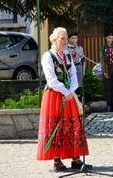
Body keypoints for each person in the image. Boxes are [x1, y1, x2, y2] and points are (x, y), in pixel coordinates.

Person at [36, 27, 89, 172]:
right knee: (56, 125)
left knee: (73, 125)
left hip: (68, 94)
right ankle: (57, 159)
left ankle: (76, 157)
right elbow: (51, 79)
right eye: (62, 39)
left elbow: (73, 75)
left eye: (66, 38)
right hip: (55, 95)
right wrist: (66, 92)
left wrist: (71, 91)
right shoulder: (48, 56)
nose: (66, 41)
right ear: (54, 40)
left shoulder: (67, 55)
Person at [100, 32, 113, 112]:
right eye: (109, 38)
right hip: (107, 68)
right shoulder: (103, 47)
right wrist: (104, 72)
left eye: (111, 38)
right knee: (108, 87)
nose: (110, 39)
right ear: (106, 38)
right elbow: (102, 60)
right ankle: (109, 104)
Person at [67, 32, 85, 98]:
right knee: (71, 84)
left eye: (75, 38)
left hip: (78, 67)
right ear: (69, 39)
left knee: (79, 85)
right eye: (72, 38)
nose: (74, 40)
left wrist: (83, 70)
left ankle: (79, 99)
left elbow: (82, 59)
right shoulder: (66, 48)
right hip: (70, 68)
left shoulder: (80, 48)